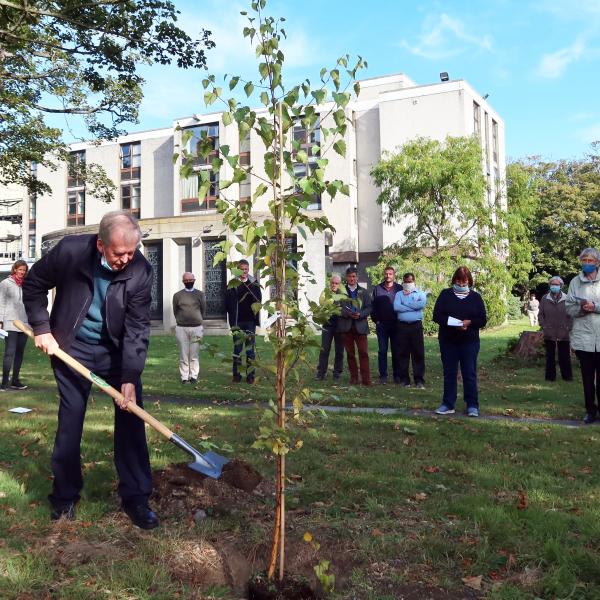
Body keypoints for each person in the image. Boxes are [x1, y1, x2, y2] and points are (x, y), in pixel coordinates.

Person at [23, 210, 158, 529]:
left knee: (131, 417)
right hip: (72, 346)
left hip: (116, 350)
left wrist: (130, 376)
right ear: (100, 245)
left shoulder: (141, 270)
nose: (126, 258)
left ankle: (136, 497)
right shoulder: (70, 252)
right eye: (119, 253)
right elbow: (34, 283)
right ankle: (64, 498)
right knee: (71, 419)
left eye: (131, 251)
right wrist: (42, 327)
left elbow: (138, 327)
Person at [432, 266, 487, 417]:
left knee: (469, 373)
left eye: (464, 282)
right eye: (459, 281)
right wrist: (453, 323)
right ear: (454, 280)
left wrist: (469, 323)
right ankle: (448, 404)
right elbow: (436, 316)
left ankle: (472, 405)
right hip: (448, 341)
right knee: (449, 373)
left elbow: (482, 319)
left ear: (469, 281)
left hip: (469, 342)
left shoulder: (476, 297)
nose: (461, 285)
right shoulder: (445, 295)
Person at [565, 248, 600, 424]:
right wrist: (581, 309)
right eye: (584, 260)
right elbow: (569, 307)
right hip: (583, 338)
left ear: (597, 262)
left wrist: (595, 307)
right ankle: (590, 411)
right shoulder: (575, 282)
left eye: (590, 260)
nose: (587, 263)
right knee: (587, 377)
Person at [225, 259, 262, 384]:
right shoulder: (232, 284)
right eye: (241, 269)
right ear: (237, 270)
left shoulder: (254, 284)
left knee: (250, 350)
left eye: (246, 269)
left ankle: (250, 376)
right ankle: (236, 375)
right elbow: (226, 303)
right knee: (237, 350)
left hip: (250, 321)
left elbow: (258, 300)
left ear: (248, 270)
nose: (244, 271)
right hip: (237, 322)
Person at [338, 266, 372, 386]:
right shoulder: (340, 292)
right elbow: (337, 308)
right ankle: (354, 378)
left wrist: (361, 314)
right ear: (346, 278)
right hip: (346, 327)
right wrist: (348, 314)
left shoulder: (363, 291)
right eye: (349, 276)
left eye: (353, 276)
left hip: (360, 326)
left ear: (357, 277)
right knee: (350, 354)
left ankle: (366, 380)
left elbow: (369, 307)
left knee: (363, 353)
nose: (352, 279)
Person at [0, 260, 30, 391]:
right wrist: (0, 320)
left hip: (24, 324)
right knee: (9, 353)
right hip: (10, 322)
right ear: (15, 269)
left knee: (20, 353)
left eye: (24, 270)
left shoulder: (26, 285)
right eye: (20, 270)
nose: (22, 272)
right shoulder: (5, 284)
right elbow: (1, 302)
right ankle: (4, 382)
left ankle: (15, 381)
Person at [394, 272, 427, 389]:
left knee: (418, 353)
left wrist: (405, 305)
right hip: (402, 327)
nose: (408, 283)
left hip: (416, 326)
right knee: (402, 353)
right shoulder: (398, 294)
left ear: (414, 281)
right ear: (403, 282)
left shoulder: (421, 293)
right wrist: (413, 306)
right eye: (406, 281)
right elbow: (396, 307)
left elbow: (421, 304)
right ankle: (404, 380)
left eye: (410, 281)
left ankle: (419, 380)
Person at [172, 272, 206, 385]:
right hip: (181, 328)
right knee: (183, 353)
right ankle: (184, 377)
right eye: (186, 280)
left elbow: (203, 310)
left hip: (197, 328)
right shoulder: (177, 296)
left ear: (194, 280)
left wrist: (198, 319)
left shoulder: (200, 294)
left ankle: (194, 376)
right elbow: (175, 311)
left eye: (190, 280)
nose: (188, 282)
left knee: (194, 354)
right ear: (183, 281)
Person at [371, 266, 402, 384]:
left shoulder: (399, 288)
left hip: (396, 325)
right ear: (384, 275)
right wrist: (376, 320)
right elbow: (372, 306)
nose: (388, 276)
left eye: (390, 274)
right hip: (382, 325)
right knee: (382, 351)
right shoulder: (377, 289)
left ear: (394, 275)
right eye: (386, 274)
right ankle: (383, 376)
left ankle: (396, 375)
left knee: (396, 351)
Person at [539, 276, 573, 382]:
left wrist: (568, 327)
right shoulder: (545, 298)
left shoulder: (567, 298)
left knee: (565, 356)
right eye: (553, 284)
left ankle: (567, 377)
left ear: (561, 286)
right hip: (549, 331)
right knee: (550, 357)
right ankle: (550, 378)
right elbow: (540, 315)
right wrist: (544, 326)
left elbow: (572, 315)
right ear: (550, 286)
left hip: (564, 332)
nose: (555, 286)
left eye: (557, 285)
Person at [315, 274, 344, 381]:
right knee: (324, 349)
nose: (334, 285)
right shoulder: (325, 293)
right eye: (332, 282)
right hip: (327, 324)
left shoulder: (342, 294)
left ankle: (337, 373)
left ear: (339, 284)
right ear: (330, 283)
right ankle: (321, 372)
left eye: (336, 283)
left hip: (340, 325)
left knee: (339, 350)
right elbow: (321, 304)